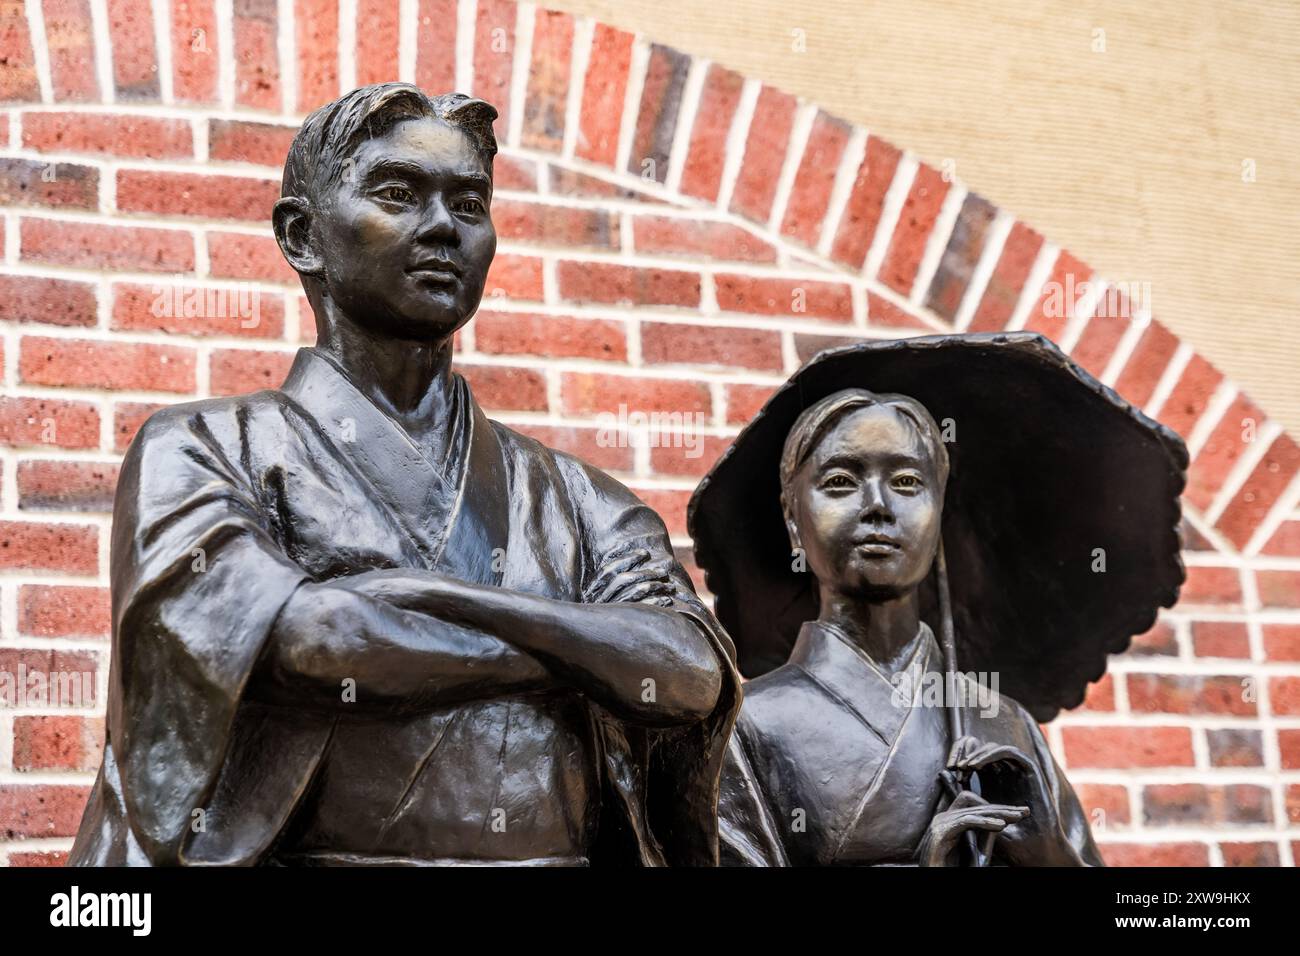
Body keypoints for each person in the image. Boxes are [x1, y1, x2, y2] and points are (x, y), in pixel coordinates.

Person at [70, 83, 740, 867]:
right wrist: (580, 657)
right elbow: (312, 641)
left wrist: (435, 597)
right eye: (397, 193)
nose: (440, 228)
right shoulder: (205, 449)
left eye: (469, 203)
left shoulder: (583, 501)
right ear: (302, 235)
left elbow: (690, 670)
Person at [716, 389, 1102, 866]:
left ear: (938, 513)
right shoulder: (745, 725)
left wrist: (1047, 853)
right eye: (840, 481)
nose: (878, 506)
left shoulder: (1005, 723)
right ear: (793, 519)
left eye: (906, 482)